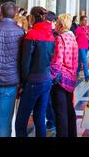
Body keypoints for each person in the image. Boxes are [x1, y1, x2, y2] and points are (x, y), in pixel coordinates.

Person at [15, 7, 55, 137]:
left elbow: (25, 62)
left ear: (32, 17)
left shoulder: (32, 34)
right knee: (40, 117)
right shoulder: (51, 35)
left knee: (21, 121)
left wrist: (23, 82)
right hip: (46, 79)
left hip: (33, 81)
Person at [0, 2, 25, 137]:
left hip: (8, 80)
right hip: (10, 80)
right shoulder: (20, 32)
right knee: (4, 123)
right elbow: (22, 59)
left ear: (0, 13)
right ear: (15, 15)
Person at [50, 14, 78, 137]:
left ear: (61, 25)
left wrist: (51, 76)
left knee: (60, 112)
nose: (55, 25)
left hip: (61, 79)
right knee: (69, 109)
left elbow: (57, 61)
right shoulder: (73, 38)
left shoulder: (60, 38)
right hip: (71, 77)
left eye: (56, 23)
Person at [75, 16, 89, 81]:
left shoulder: (88, 28)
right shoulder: (78, 29)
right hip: (80, 47)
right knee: (85, 61)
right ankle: (87, 76)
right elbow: (75, 38)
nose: (85, 22)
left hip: (86, 46)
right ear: (81, 21)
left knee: (80, 61)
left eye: (86, 20)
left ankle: (76, 73)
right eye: (84, 20)